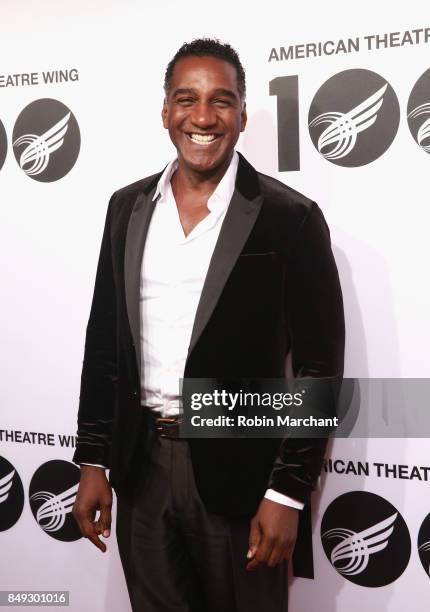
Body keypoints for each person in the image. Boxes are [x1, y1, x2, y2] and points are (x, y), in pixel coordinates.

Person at [72, 38, 345, 612]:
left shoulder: (289, 217)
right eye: (186, 99)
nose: (203, 116)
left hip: (242, 476)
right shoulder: (126, 208)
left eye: (221, 101)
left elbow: (320, 368)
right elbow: (105, 342)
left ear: (242, 115)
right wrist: (94, 458)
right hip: (141, 466)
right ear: (166, 111)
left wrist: (288, 492)